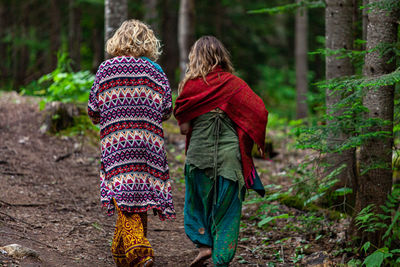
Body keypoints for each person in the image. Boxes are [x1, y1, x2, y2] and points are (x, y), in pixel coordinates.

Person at [173, 36, 268, 267]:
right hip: (229, 158)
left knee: (197, 203)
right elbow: (259, 113)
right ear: (221, 57)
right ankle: (221, 259)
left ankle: (204, 246)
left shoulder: (190, 86)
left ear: (195, 58)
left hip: (198, 156)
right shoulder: (235, 85)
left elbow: (185, 128)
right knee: (227, 211)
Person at [88, 19, 175, 267]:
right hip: (149, 146)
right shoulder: (156, 72)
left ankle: (139, 252)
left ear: (117, 41)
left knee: (123, 192)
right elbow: (167, 109)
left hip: (117, 144)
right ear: (148, 43)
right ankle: (122, 256)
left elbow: (93, 110)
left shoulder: (106, 70)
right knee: (137, 195)